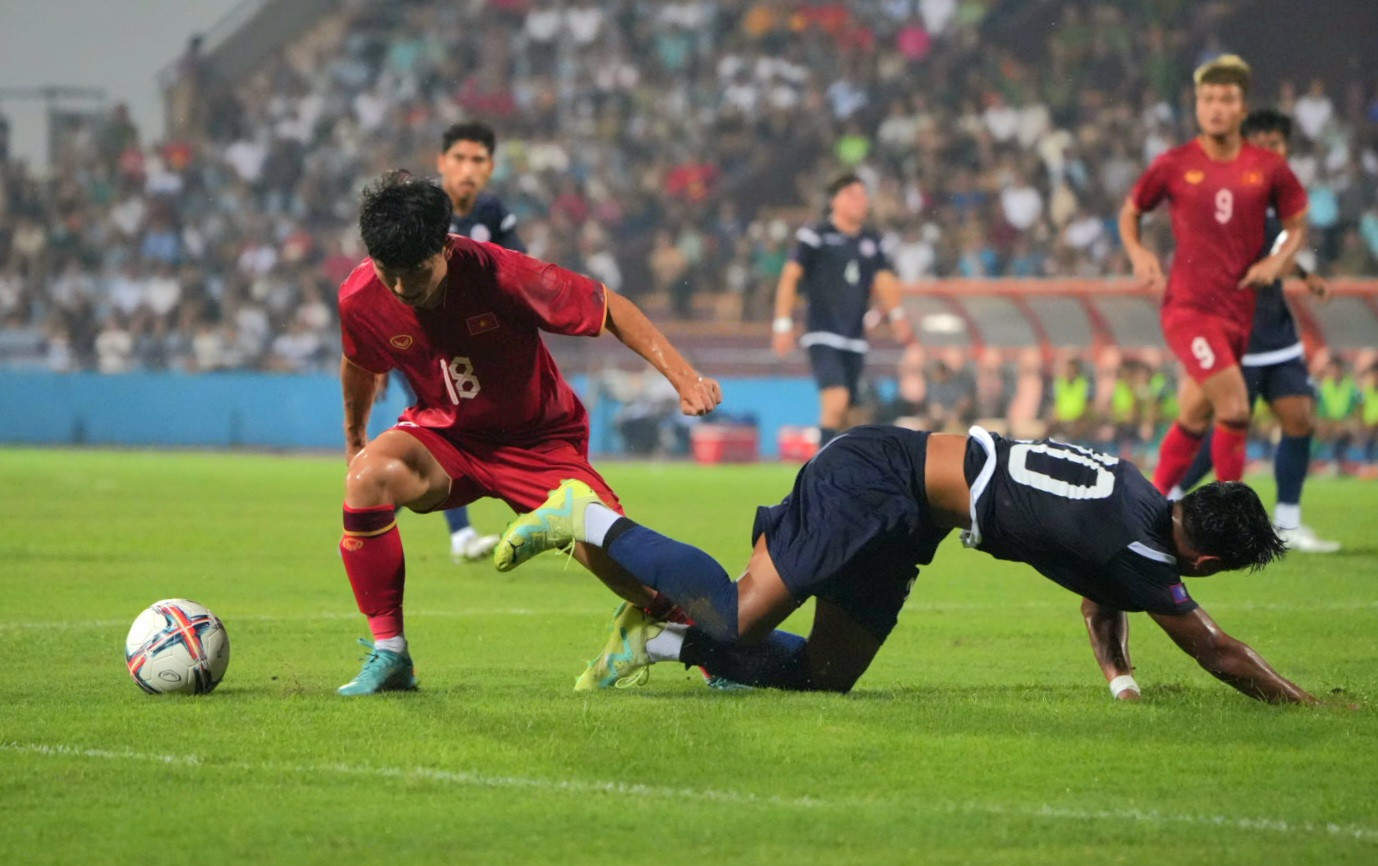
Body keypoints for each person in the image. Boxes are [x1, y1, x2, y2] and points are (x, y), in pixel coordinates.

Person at [495, 426, 1313, 704]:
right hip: (875, 481)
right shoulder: (1137, 551)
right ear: (1207, 560)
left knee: (828, 675)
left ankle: (661, 643)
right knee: (739, 615)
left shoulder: (1138, 498)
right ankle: (586, 515)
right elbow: (1216, 650)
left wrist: (1121, 680)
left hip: (908, 516)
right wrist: (1307, 703)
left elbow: (1103, 597)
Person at [335, 170, 722, 695]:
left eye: (417, 273)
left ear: (445, 247)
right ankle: (391, 653)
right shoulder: (360, 296)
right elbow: (358, 361)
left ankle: (703, 646)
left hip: (537, 442)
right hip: (448, 438)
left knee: (627, 567)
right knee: (367, 479)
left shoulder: (502, 274)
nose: (403, 289)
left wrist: (685, 379)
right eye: (390, 273)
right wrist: (355, 438)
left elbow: (610, 307)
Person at [1119, 56, 1309, 495]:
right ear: (1197, 106)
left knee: (1193, 415)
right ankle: (1230, 516)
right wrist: (1138, 252)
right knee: (1235, 408)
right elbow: (1131, 211)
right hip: (1189, 311)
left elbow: (1297, 223)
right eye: (1207, 99)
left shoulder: (1268, 166)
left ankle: (1152, 503)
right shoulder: (1174, 163)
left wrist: (1277, 260)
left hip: (1238, 313)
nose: (1216, 108)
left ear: (1243, 108)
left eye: (1226, 99)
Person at [1169, 109, 1337, 552]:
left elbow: (1280, 244)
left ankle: (1289, 523)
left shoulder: (1283, 194)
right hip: (1235, 333)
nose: (1271, 150)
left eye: (1278, 143)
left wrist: (1303, 274)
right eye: (1263, 142)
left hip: (1277, 334)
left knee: (1299, 419)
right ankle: (1164, 500)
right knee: (1220, 425)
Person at [428, 121, 527, 562]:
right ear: (441, 162)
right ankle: (461, 534)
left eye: (477, 160)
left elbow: (518, 269)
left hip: (474, 345)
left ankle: (372, 511)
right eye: (459, 159)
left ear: (490, 167)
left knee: (452, 435)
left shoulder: (493, 212)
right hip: (423, 343)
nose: (467, 169)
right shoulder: (422, 208)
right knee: (448, 429)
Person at [771, 173, 914, 448]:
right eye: (852, 195)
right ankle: (820, 469)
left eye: (863, 195)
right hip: (823, 332)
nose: (861, 201)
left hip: (854, 335)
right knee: (835, 401)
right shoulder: (816, 235)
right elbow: (790, 276)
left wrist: (898, 315)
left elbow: (884, 279)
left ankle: (846, 467)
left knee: (852, 413)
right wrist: (782, 323)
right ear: (835, 201)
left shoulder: (872, 240)